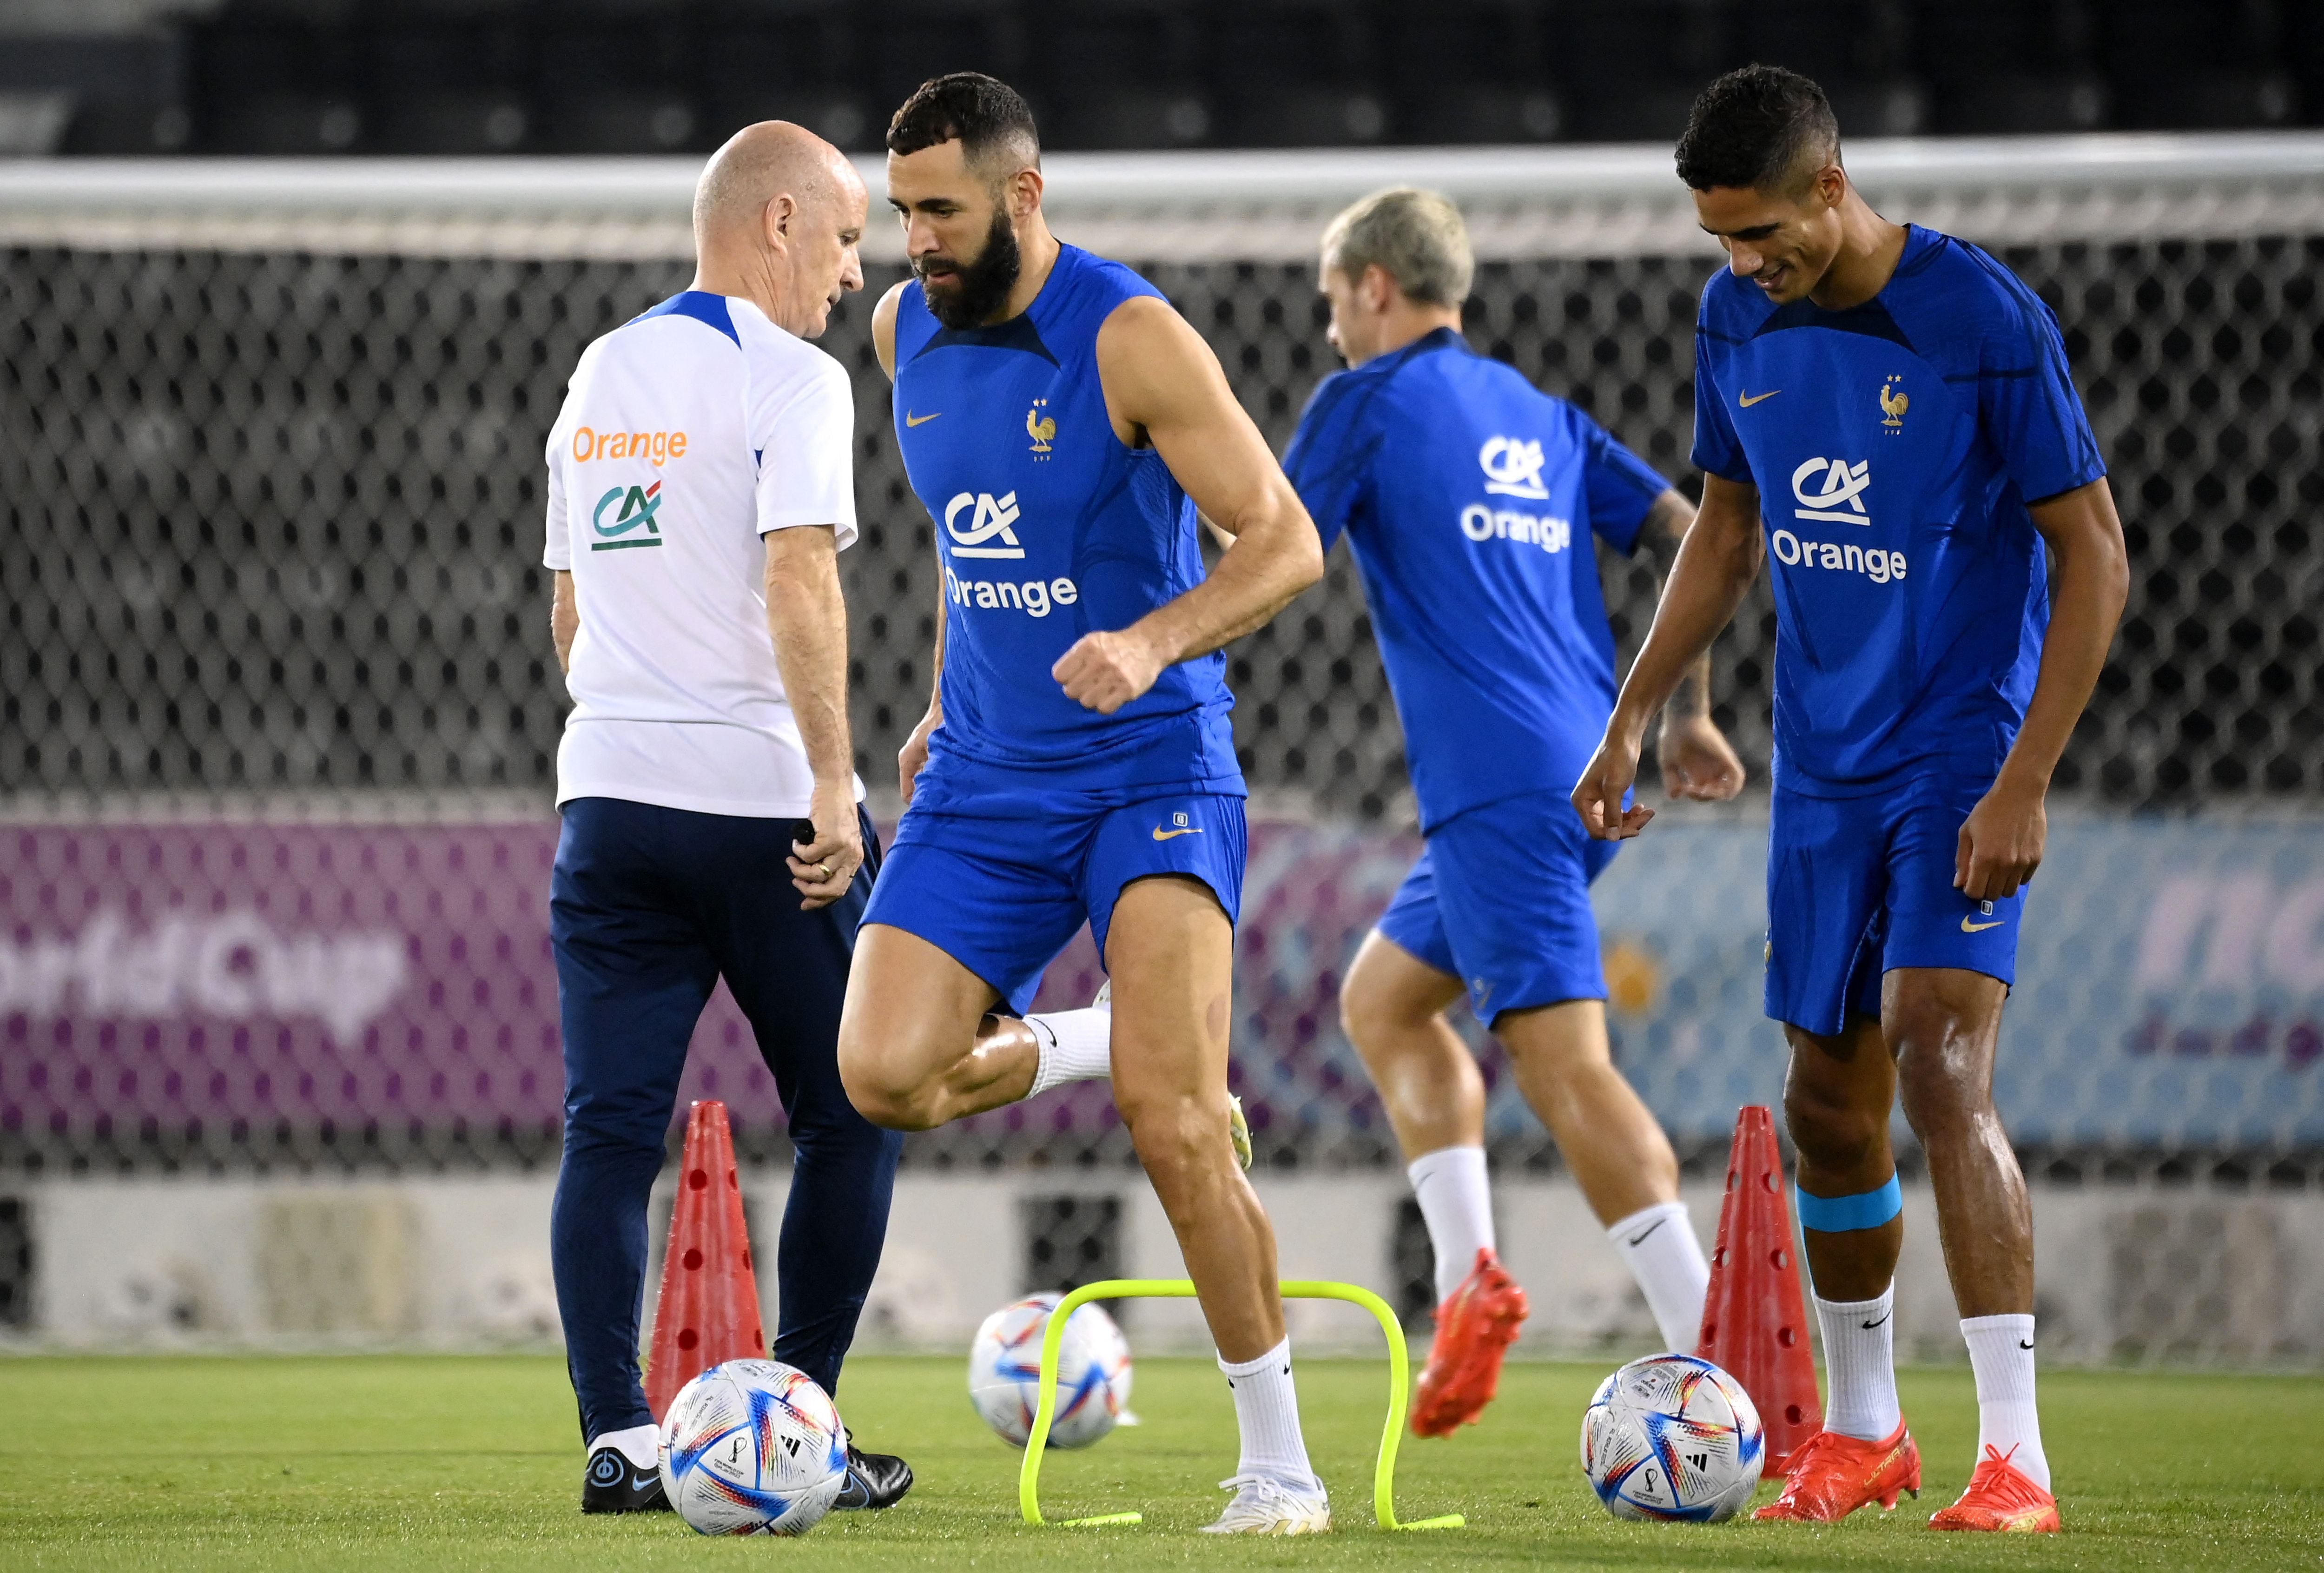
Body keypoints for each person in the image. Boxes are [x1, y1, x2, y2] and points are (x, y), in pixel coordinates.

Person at [1572, 66, 2127, 1533]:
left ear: (1832, 183)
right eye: (1721, 240)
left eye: (1762, 231)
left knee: (1940, 1058)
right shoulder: (1734, 318)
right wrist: (1632, 717)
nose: (1746, 262)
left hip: (1960, 743)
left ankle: (2015, 1459)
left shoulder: (1982, 318)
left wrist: (2025, 780)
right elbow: (1729, 530)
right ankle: (1866, 1434)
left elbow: (2096, 559)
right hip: (1821, 760)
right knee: (1828, 1106)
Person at [833, 74, 1333, 1535]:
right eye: (903, 208)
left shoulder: (1129, 335)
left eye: (942, 209)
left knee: (1177, 1125)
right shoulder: (898, 328)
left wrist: (1152, 637)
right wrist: (940, 699)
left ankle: (1279, 1469)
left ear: (1023, 193)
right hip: (988, 776)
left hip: (1150, 768)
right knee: (880, 1077)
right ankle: (1100, 1032)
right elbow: (968, 544)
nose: (913, 238)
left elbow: (1285, 543)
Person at [1281, 187, 1742, 1438]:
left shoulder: (1363, 405)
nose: (1330, 331)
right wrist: (1687, 713)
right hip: (1586, 770)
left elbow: (1271, 546)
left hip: (1495, 789)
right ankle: (1471, 1278)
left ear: (1376, 286)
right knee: (1385, 1002)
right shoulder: (1539, 418)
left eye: (1334, 302)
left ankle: (1724, 1377)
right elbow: (1691, 532)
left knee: (1567, 1069)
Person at [542, 121, 911, 1516]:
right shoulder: (794, 377)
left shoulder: (599, 374)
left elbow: (571, 612)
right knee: (852, 1110)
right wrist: (828, 779)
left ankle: (617, 1442)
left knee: (609, 1136)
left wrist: (641, 716)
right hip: (762, 809)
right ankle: (799, 1428)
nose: (847, 271)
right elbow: (802, 575)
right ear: (775, 222)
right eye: (842, 237)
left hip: (610, 807)